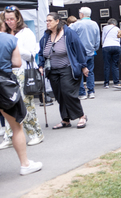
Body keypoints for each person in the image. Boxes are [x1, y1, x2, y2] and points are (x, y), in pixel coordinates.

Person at [0, 16, 43, 175]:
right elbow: (17, 63)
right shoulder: (10, 39)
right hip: (4, 83)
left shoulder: (23, 34)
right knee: (16, 126)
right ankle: (25, 164)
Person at [38, 13, 89, 129]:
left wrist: (83, 66)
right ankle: (65, 119)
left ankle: (81, 116)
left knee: (68, 92)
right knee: (59, 95)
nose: (47, 23)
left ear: (57, 21)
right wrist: (41, 65)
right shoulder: (46, 36)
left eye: (50, 20)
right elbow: (42, 52)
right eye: (46, 21)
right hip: (52, 70)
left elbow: (79, 49)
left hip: (67, 68)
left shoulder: (68, 33)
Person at [70, 7, 100, 99]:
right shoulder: (95, 24)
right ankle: (91, 92)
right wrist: (94, 48)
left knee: (79, 72)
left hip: (79, 53)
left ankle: (82, 93)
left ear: (81, 14)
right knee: (90, 71)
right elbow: (98, 39)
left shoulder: (76, 24)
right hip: (90, 52)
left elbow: (68, 34)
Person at [102, 18, 121, 89]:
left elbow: (103, 38)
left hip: (106, 46)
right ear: (115, 23)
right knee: (115, 64)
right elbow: (119, 38)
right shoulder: (117, 28)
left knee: (107, 65)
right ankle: (116, 81)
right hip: (116, 46)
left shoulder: (105, 28)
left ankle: (106, 83)